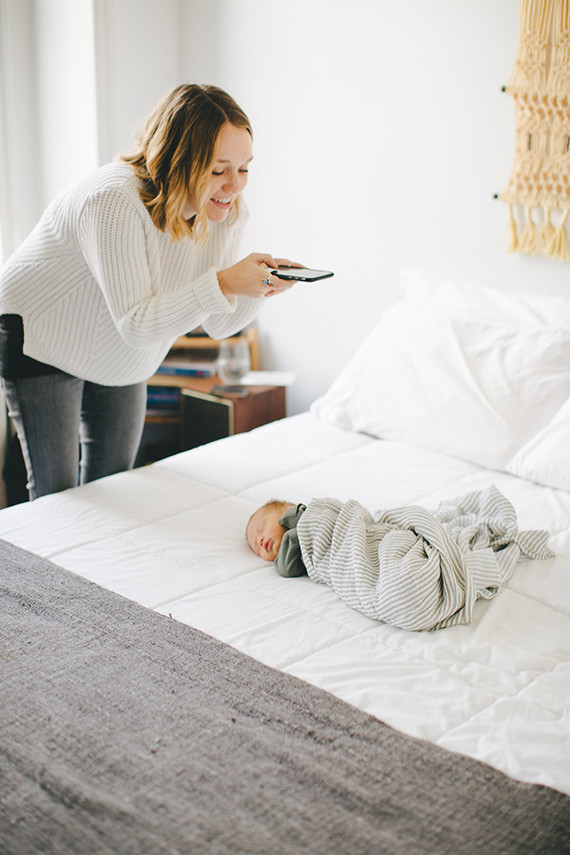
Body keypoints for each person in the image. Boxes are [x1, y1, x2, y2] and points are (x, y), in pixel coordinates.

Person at [0, 83, 300, 500]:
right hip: (41, 330)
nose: (235, 186)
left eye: (244, 168)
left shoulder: (224, 212)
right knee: (57, 496)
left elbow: (216, 322)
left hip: (116, 342)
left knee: (114, 483)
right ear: (181, 159)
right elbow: (139, 324)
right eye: (219, 170)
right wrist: (228, 281)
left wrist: (258, 288)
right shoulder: (112, 200)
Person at [245, 488, 554, 631]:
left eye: (261, 527)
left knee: (402, 556)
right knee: (402, 588)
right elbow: (287, 566)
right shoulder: (297, 545)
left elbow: (355, 524)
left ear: (285, 509)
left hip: (376, 541)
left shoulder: (309, 517)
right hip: (367, 560)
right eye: (255, 547)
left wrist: (294, 519)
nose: (260, 541)